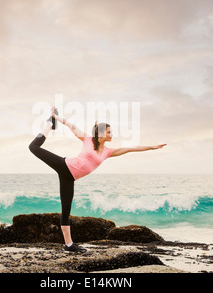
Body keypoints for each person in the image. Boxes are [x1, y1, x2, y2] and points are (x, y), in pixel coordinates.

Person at [29, 107, 167, 253]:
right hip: (64, 165)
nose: (111, 134)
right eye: (109, 132)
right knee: (33, 147)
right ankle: (49, 125)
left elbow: (130, 148)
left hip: (70, 178)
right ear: (101, 133)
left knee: (66, 210)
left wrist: (152, 147)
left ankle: (68, 245)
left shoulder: (108, 152)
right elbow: (71, 126)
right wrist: (56, 118)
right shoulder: (87, 139)